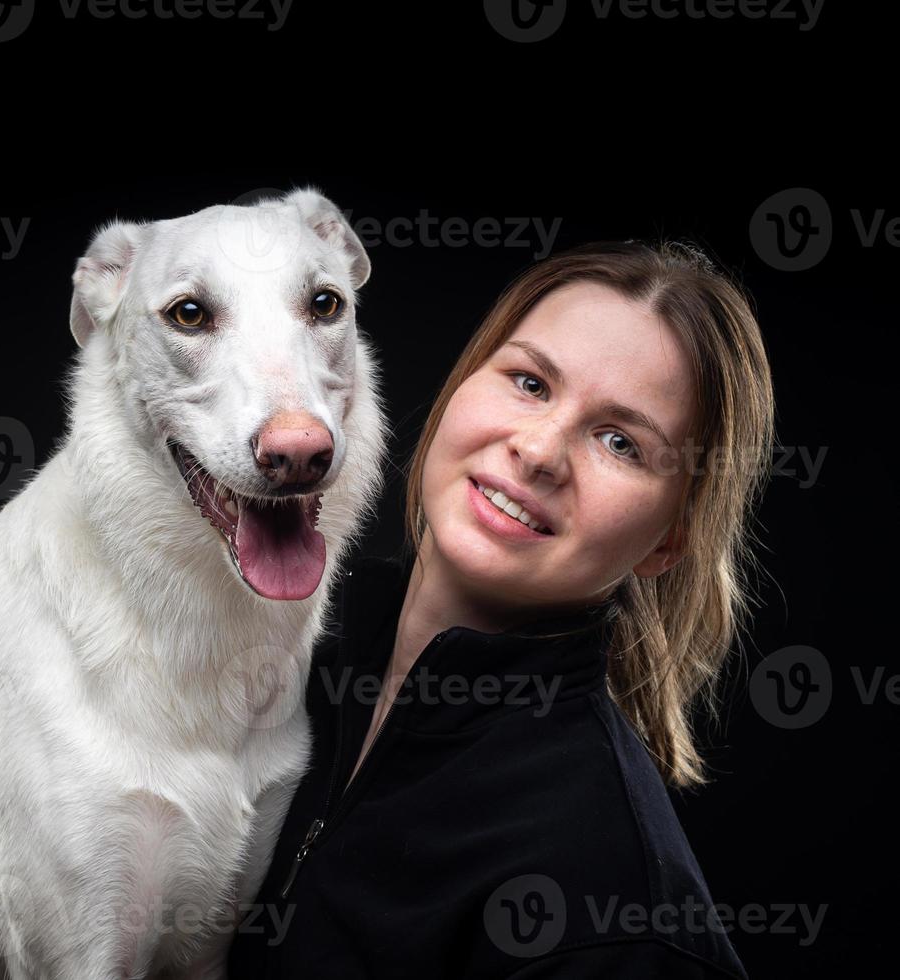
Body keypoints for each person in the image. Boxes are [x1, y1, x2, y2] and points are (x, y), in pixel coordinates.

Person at [226, 240, 773, 979]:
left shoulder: (616, 911)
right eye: (529, 382)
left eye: (620, 442)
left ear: (669, 539)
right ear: (461, 385)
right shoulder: (267, 662)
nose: (540, 449)